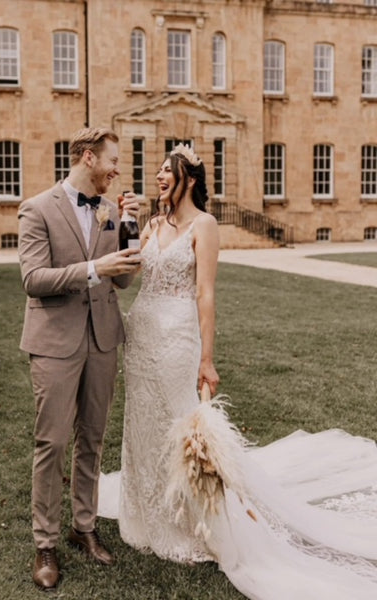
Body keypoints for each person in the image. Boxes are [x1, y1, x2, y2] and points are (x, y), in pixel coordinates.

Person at [98, 143, 377, 599]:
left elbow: (205, 295)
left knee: (179, 426)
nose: (159, 177)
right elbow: (127, 274)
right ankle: (146, 516)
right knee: (143, 425)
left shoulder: (204, 225)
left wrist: (206, 359)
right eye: (158, 171)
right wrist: (125, 224)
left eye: (168, 171)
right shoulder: (150, 224)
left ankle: (193, 520)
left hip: (177, 339)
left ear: (188, 179)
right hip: (142, 336)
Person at [18, 126, 141, 590]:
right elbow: (33, 278)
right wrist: (94, 269)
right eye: (112, 161)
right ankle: (45, 543)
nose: (116, 170)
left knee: (92, 438)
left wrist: (130, 226)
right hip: (54, 341)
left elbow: (125, 279)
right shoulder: (36, 208)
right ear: (88, 157)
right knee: (51, 444)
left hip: (103, 339)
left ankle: (83, 527)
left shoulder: (112, 211)